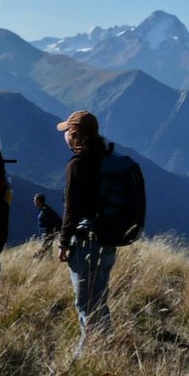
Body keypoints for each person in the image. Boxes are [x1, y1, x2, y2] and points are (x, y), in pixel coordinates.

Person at [56, 109, 117, 357]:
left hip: (85, 242)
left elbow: (71, 208)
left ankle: (89, 355)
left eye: (67, 132)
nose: (65, 137)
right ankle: (106, 347)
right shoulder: (108, 160)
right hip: (108, 239)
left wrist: (63, 242)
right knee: (98, 297)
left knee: (86, 302)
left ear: (75, 135)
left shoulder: (78, 165)